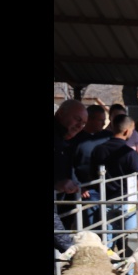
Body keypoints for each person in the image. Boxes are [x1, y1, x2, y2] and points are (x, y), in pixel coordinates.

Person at [90, 114, 138, 253]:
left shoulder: (99, 149)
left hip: (105, 199)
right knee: (130, 238)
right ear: (127, 131)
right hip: (126, 200)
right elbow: (137, 179)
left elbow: (92, 174)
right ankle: (129, 272)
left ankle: (108, 268)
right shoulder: (129, 153)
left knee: (107, 240)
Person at [53, 99, 88, 253]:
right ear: (61, 113)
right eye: (77, 119)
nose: (80, 125)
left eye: (84, 123)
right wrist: (70, 249)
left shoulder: (63, 140)